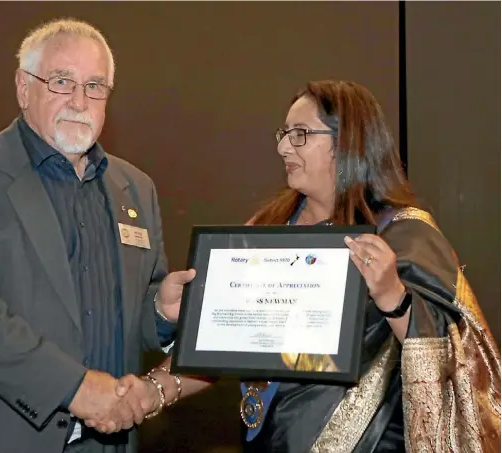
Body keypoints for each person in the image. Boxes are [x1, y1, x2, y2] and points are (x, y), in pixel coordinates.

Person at [123, 80, 501, 452]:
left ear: (348, 142)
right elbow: (223, 344)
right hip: (269, 438)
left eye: (300, 133)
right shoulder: (268, 226)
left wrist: (393, 298)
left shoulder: (405, 237)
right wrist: (153, 390)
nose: (284, 146)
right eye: (284, 134)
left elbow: (459, 359)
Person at [0, 18, 195, 453]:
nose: (80, 100)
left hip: (108, 442)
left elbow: (125, 322)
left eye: (96, 86)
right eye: (62, 81)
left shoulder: (135, 187)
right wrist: (75, 388)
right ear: (24, 88)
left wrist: (158, 310)